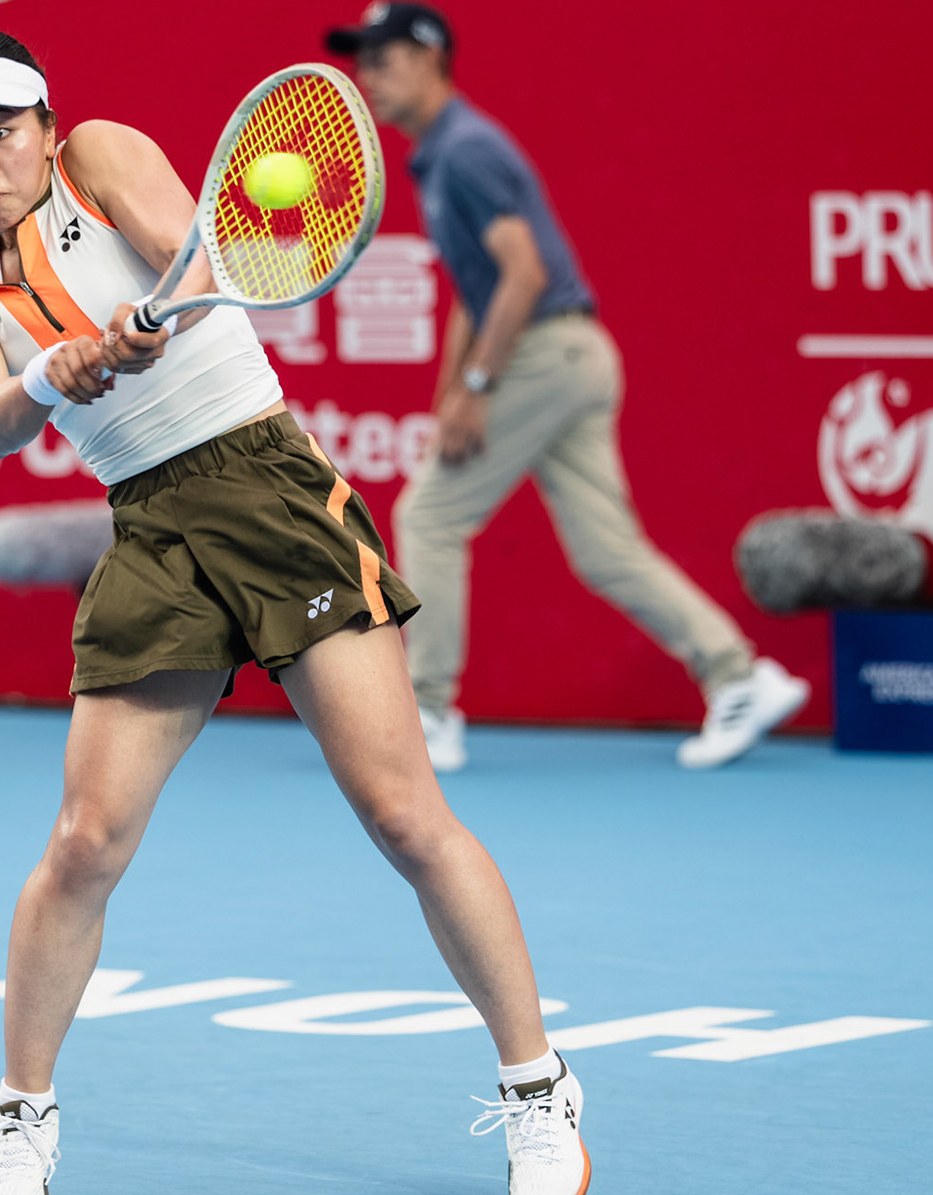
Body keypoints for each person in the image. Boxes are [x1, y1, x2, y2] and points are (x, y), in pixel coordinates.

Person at [0, 30, 590, 1195]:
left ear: (47, 128)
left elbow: (197, 255)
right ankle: (21, 1117)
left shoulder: (101, 155)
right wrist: (57, 371)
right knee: (84, 841)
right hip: (151, 529)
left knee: (403, 813)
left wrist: (143, 328)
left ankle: (539, 1086)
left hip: (266, 487)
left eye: (2, 132)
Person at [326, 3, 809, 773]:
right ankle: (738, 677)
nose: (367, 77)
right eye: (362, 63)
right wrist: (453, 392)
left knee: (430, 515)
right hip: (573, 357)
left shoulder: (465, 151)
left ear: (431, 60)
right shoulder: (444, 154)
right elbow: (478, 290)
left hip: (544, 355)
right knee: (606, 550)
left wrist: (478, 386)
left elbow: (524, 275)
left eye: (382, 60)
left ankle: (430, 712)